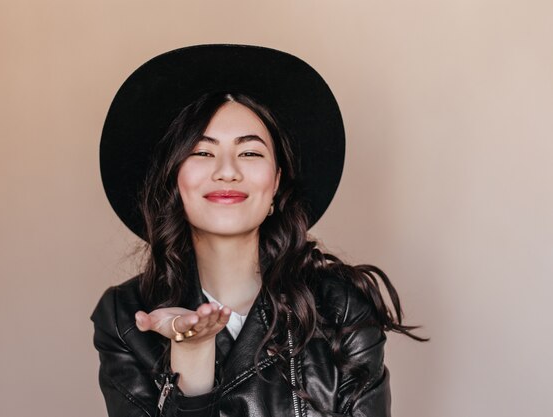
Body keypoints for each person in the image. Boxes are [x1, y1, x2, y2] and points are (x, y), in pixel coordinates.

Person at [92, 44, 427, 417]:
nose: (227, 170)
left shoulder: (340, 308)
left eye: (250, 153)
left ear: (277, 184)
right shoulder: (125, 317)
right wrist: (192, 355)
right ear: (173, 181)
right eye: (202, 152)